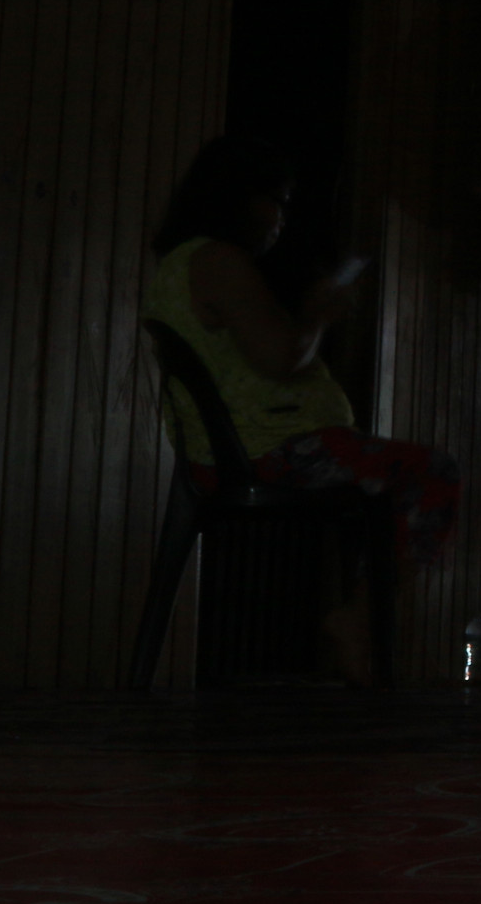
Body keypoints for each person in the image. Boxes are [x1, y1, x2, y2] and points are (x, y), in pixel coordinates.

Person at [144, 135, 461, 681]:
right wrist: (317, 314)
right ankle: (360, 619)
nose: (281, 219)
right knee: (433, 472)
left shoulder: (180, 264)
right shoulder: (218, 259)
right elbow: (281, 356)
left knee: (386, 484)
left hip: (236, 449)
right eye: (278, 201)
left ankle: (361, 617)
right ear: (240, 196)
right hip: (269, 449)